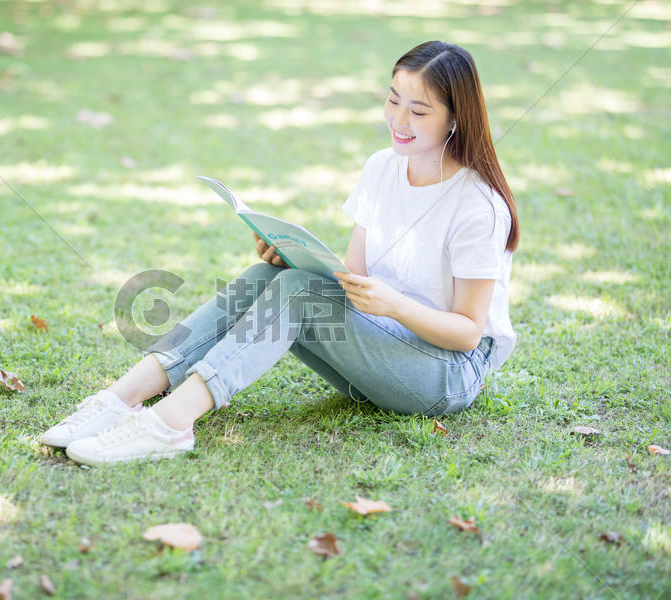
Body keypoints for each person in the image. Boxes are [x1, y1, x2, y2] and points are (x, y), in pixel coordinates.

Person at [39, 40, 520, 466]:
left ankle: (170, 423)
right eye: (393, 100)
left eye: (418, 111)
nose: (398, 121)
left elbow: (466, 334)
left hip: (448, 374)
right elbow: (350, 277)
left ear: (456, 117)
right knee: (267, 278)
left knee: (299, 294)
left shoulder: (477, 205)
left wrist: (392, 304)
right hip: (383, 349)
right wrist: (292, 257)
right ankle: (121, 399)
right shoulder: (383, 168)